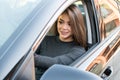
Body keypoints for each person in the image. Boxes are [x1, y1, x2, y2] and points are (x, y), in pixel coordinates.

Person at [34, 4, 86, 79]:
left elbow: (56, 63)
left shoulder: (78, 51)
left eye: (70, 24)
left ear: (76, 26)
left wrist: (29, 59)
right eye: (61, 22)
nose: (64, 27)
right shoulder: (45, 40)